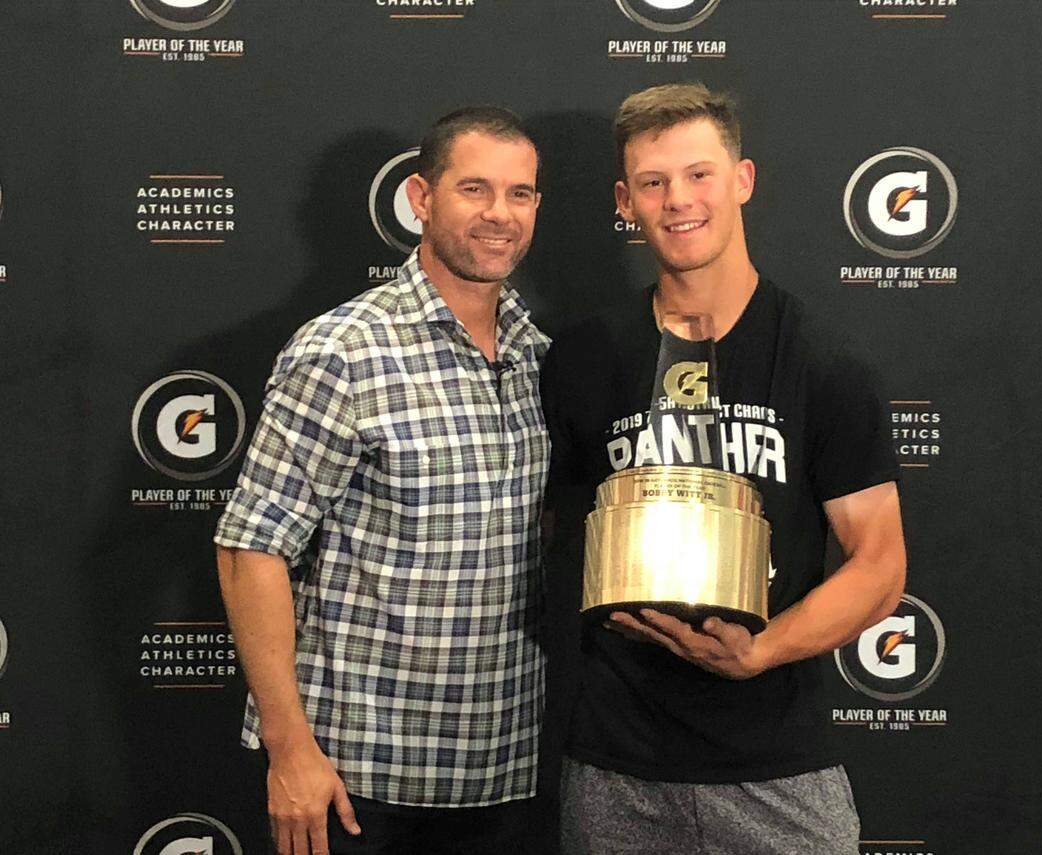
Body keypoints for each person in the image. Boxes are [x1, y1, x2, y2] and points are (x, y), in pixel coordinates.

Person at [541, 83, 906, 854]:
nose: (679, 200)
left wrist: (761, 650)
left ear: (741, 180)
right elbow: (546, 541)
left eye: (699, 174)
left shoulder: (820, 359)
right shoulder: (581, 360)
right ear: (624, 199)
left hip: (777, 768)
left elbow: (880, 565)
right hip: (616, 765)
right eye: (653, 181)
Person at [214, 106, 548, 855]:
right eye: (474, 189)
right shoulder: (344, 350)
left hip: (502, 777)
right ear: (421, 198)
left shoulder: (539, 355)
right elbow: (249, 548)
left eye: (520, 193)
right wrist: (290, 750)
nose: (500, 214)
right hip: (354, 779)